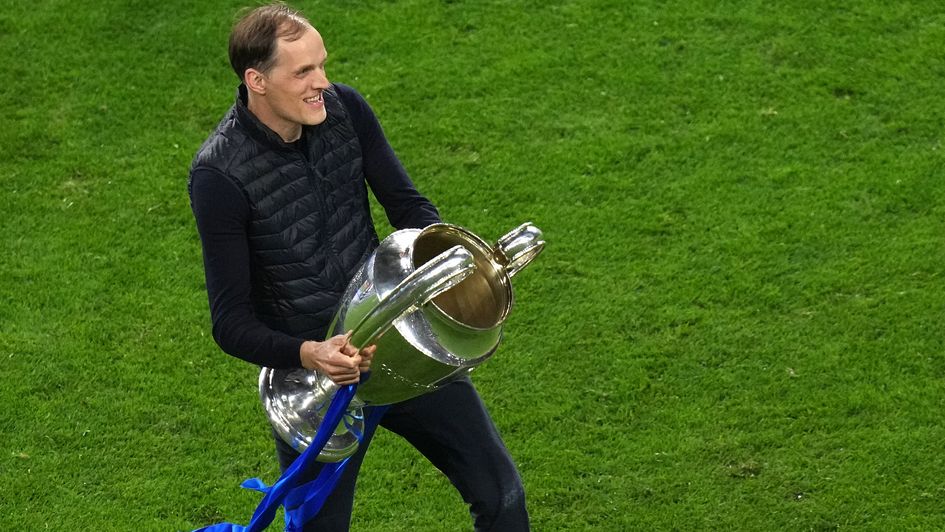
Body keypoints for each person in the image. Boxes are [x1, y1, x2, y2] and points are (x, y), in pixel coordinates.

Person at [188, 3, 529, 530]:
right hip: (315, 383)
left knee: (502, 495)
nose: (322, 82)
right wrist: (311, 353)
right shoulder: (218, 176)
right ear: (257, 80)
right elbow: (230, 324)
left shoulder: (344, 109)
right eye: (303, 71)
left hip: (404, 343)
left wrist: (442, 265)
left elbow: (410, 208)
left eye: (322, 65)